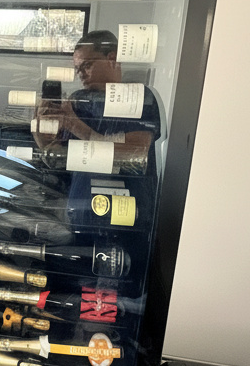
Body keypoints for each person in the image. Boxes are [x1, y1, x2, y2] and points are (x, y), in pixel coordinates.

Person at [33, 29, 162, 223]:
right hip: (81, 214)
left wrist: (74, 125)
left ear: (112, 59)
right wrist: (43, 140)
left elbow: (136, 154)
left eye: (87, 66)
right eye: (78, 70)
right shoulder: (78, 102)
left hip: (126, 213)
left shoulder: (139, 99)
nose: (81, 75)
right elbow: (65, 161)